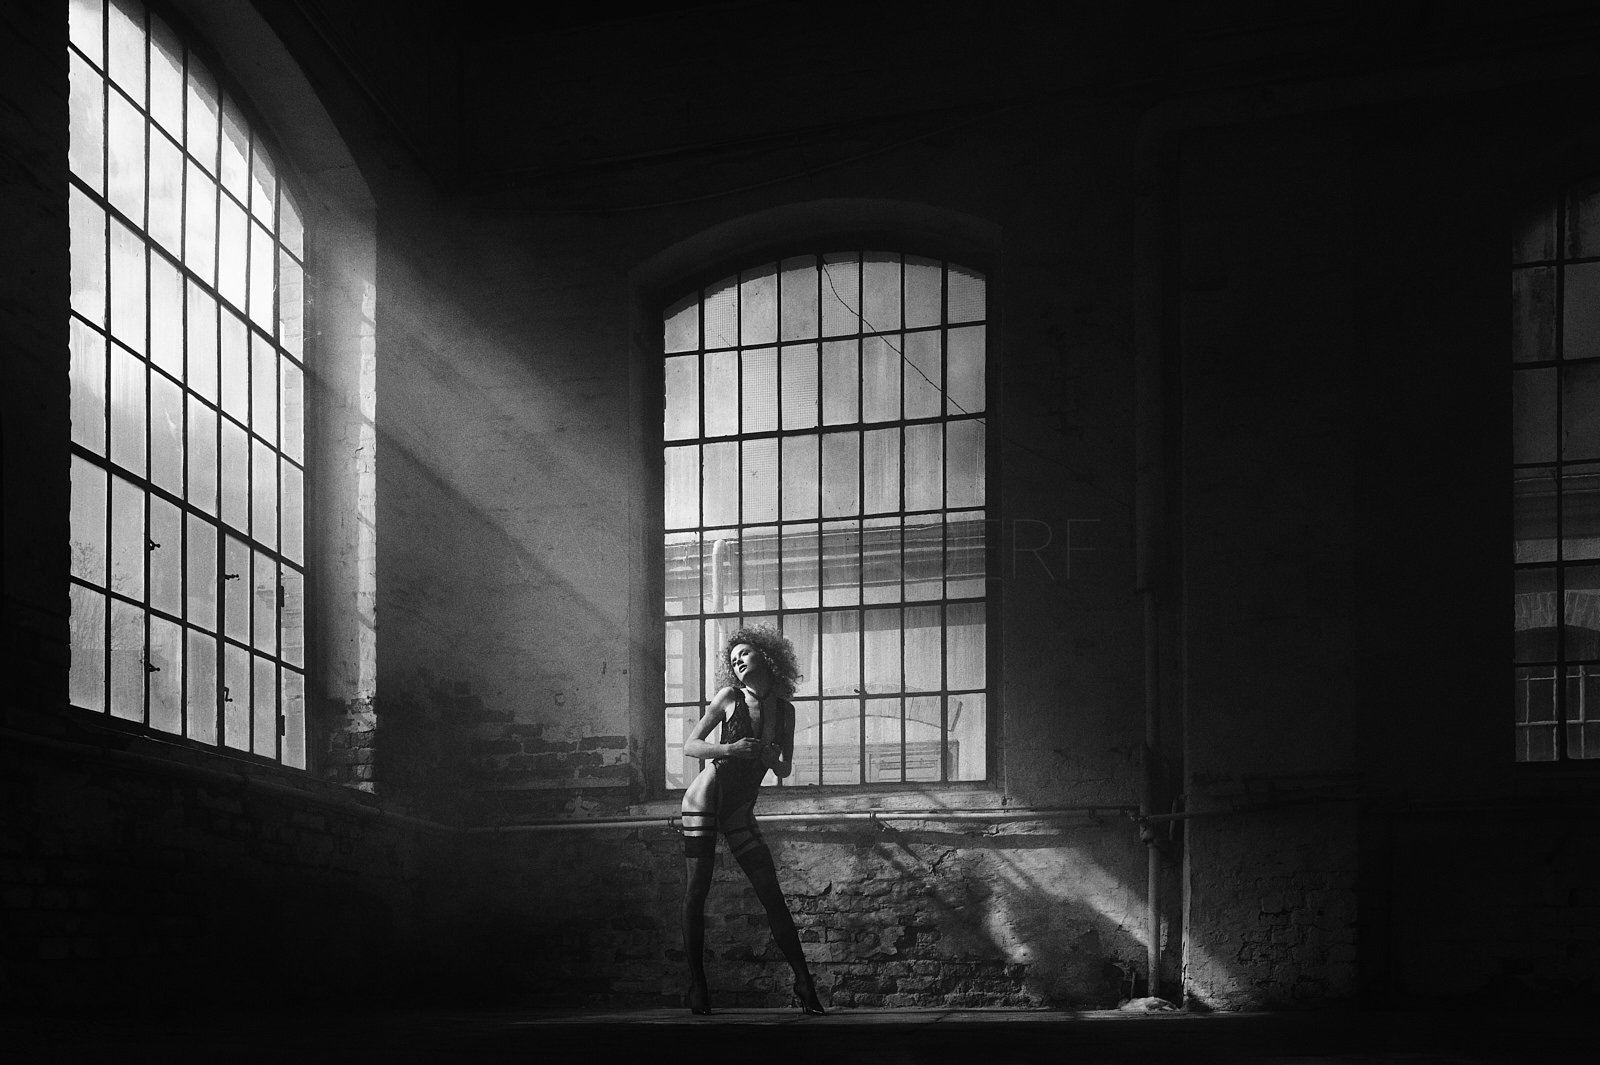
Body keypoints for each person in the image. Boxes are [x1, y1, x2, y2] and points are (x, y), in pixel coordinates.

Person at [679, 624, 826, 1016]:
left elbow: (784, 769)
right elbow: (690, 746)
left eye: (744, 653)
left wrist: (766, 757)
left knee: (771, 894)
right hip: (706, 797)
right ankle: (698, 985)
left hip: (741, 806)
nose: (738, 661)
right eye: (732, 660)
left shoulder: (785, 711)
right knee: (698, 889)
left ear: (767, 656)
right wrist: (731, 747)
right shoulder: (729, 697)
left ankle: (804, 984)